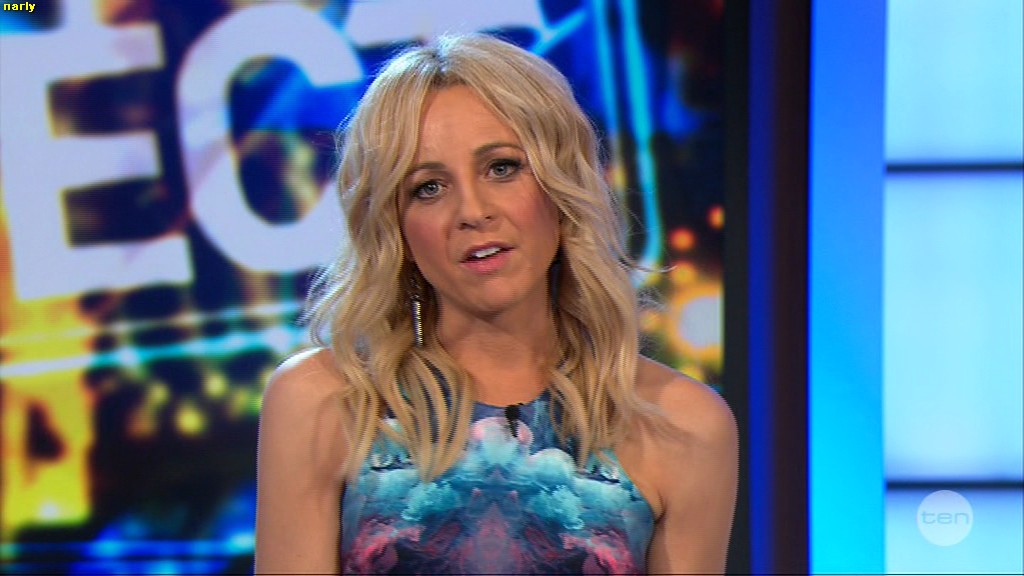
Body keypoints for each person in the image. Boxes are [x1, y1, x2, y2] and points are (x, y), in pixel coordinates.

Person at [254, 33, 737, 575]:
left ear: (561, 186)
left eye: (502, 168)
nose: (473, 210)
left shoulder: (683, 425)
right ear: (395, 226)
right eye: (428, 187)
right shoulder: (322, 403)